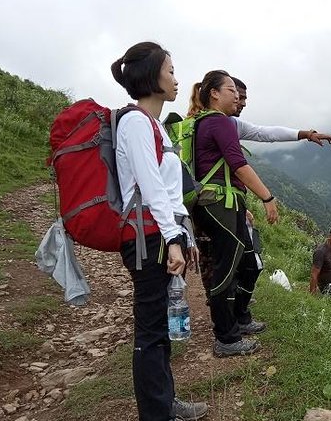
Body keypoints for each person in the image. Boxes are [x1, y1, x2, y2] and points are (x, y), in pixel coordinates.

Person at [111, 42, 207, 421]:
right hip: (148, 238)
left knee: (163, 325)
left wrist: (185, 235)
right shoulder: (135, 123)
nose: (176, 78)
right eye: (170, 70)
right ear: (152, 76)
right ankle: (157, 412)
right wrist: (171, 239)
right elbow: (150, 189)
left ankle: (165, 401)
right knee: (151, 329)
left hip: (163, 233)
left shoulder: (155, 126)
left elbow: (170, 191)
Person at [188, 70, 279, 357]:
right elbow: (238, 164)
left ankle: (239, 319)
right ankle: (226, 338)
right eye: (231, 90)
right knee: (226, 270)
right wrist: (267, 197)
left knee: (243, 264)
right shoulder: (219, 121)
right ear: (214, 93)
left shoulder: (204, 122)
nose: (237, 96)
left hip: (219, 203)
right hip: (221, 204)